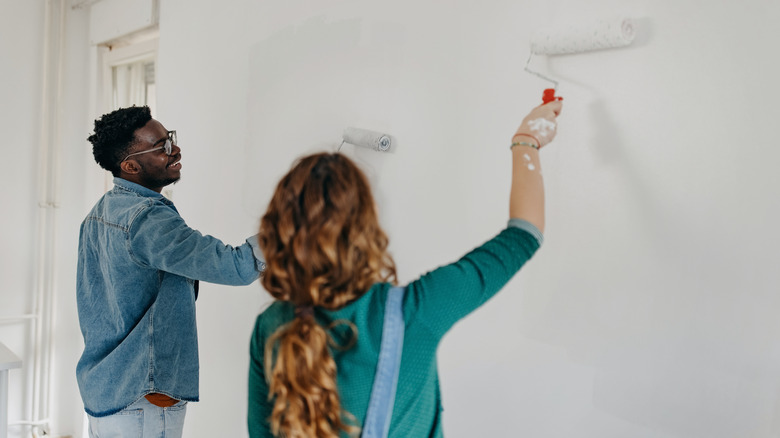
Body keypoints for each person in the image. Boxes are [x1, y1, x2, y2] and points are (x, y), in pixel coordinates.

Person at [247, 100, 563, 437]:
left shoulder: (272, 326)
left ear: (280, 230)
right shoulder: (417, 311)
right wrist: (526, 139)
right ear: (367, 230)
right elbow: (524, 234)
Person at [76, 105, 266, 437]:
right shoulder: (148, 219)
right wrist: (294, 225)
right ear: (131, 166)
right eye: (161, 147)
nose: (175, 150)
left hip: (106, 393)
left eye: (170, 139)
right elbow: (236, 267)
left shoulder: (99, 213)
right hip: (143, 401)